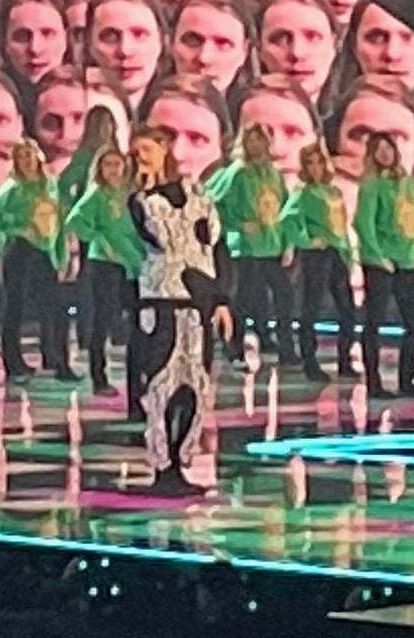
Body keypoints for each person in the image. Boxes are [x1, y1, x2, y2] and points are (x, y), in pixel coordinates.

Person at [128, 122, 217, 494]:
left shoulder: (198, 195)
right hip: (160, 301)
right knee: (161, 383)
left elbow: (210, 244)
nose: (141, 157)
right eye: (137, 152)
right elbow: (162, 240)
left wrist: (218, 298)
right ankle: (162, 465)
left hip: (196, 303)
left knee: (195, 384)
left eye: (147, 150)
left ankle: (182, 460)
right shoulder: (142, 201)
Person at [0, 137, 74, 379]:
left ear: (38, 156)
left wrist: (60, 255)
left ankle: (56, 359)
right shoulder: (13, 188)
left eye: (29, 155)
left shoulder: (50, 186)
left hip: (45, 252)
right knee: (15, 309)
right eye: (21, 157)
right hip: (20, 252)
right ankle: (13, 363)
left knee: (54, 309)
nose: (26, 161)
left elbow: (58, 222)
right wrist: (18, 228)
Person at [348, 132, 414, 398]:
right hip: (381, 264)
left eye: (388, 148)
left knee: (413, 324)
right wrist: (379, 257)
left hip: (408, 263)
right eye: (378, 149)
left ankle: (407, 379)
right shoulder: (371, 184)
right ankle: (374, 382)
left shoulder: (407, 183)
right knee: (374, 323)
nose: (385, 153)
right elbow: (363, 223)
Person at [203, 122, 287, 368]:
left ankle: (276, 343)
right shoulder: (237, 172)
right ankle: (234, 346)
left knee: (279, 296)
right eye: (251, 139)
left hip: (271, 245)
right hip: (245, 247)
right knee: (243, 299)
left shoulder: (274, 174)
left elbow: (283, 208)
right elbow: (212, 202)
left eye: (260, 139)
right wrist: (236, 226)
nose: (255, 144)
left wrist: (285, 241)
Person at [67, 128, 139, 401]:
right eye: (107, 164)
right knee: (103, 321)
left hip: (131, 263)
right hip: (105, 265)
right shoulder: (96, 194)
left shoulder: (129, 193)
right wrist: (98, 239)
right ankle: (99, 377)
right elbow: (75, 220)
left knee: (135, 320)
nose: (112, 169)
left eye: (116, 164)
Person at [283, 140, 360, 380]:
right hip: (316, 256)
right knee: (312, 308)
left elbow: (342, 226)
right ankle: (310, 361)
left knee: (348, 310)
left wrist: (349, 254)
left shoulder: (334, 192)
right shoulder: (302, 193)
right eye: (310, 163)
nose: (315, 167)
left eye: (319, 162)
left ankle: (345, 360)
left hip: (338, 253)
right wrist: (307, 240)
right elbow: (287, 220)